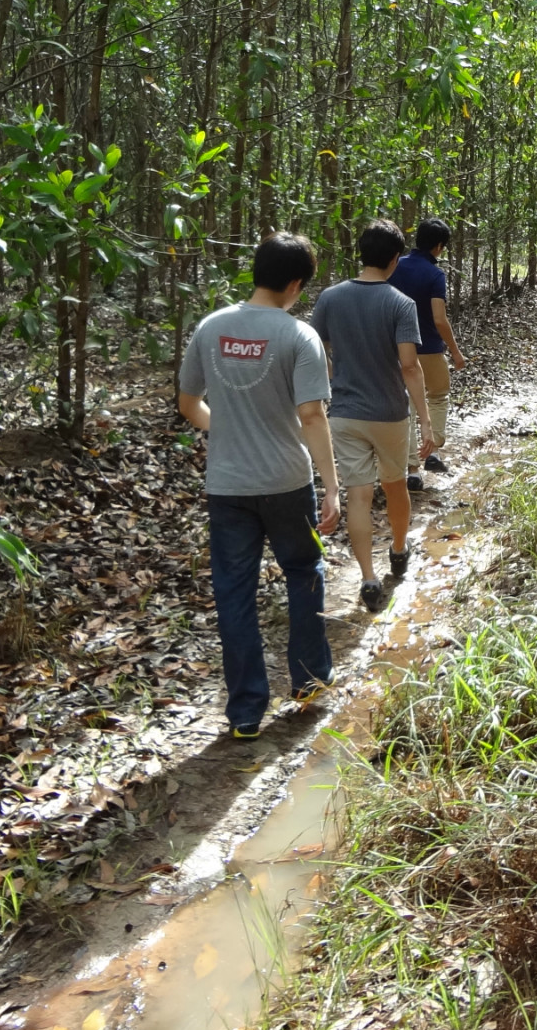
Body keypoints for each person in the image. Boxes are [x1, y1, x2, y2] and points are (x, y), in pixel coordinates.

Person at [175, 232, 341, 741]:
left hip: (228, 485)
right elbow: (312, 415)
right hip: (287, 481)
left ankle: (246, 711)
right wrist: (332, 486)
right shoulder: (300, 336)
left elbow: (188, 404)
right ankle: (309, 682)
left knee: (234, 592)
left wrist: (225, 430)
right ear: (295, 284)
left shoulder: (211, 328)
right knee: (303, 572)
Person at [308, 219, 436, 612]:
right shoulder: (400, 304)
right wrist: (425, 420)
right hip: (389, 413)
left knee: (358, 495)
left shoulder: (330, 298)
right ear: (395, 258)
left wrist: (334, 378)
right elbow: (410, 366)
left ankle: (367, 578)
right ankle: (398, 549)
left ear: (361, 253)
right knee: (395, 486)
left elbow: (315, 347)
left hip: (345, 413)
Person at [389, 219, 468, 492]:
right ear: (439, 246)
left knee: (409, 407)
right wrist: (456, 352)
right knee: (438, 395)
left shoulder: (394, 266)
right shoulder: (435, 275)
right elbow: (439, 319)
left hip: (398, 350)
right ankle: (433, 449)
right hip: (430, 348)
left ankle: (412, 470)